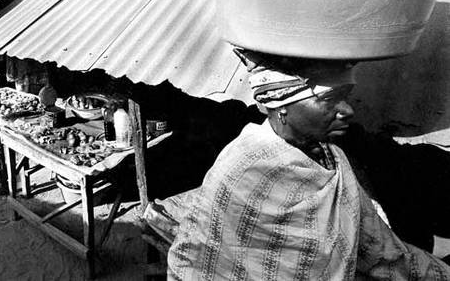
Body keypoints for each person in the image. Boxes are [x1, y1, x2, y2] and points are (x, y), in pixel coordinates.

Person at [167, 50, 450, 280]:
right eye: (330, 99)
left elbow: (378, 248)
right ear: (282, 105)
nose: (348, 110)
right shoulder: (244, 169)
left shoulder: (333, 159)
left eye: (346, 98)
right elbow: (200, 262)